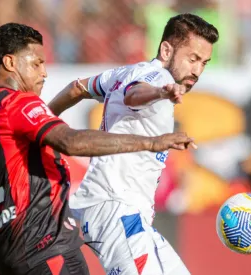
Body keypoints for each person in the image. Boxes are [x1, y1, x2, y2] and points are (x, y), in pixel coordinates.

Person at [0, 23, 194, 275]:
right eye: (37, 63)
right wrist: (152, 142)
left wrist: (7, 173)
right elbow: (71, 142)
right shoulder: (19, 104)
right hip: (45, 245)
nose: (44, 73)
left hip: (9, 251)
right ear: (10, 63)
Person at [48, 13, 218, 274]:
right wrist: (162, 92)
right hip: (115, 207)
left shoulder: (123, 72)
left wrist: (42, 123)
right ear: (166, 49)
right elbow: (133, 95)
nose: (197, 70)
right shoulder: (158, 79)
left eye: (204, 62)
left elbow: (76, 88)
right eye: (192, 58)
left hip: (123, 211)